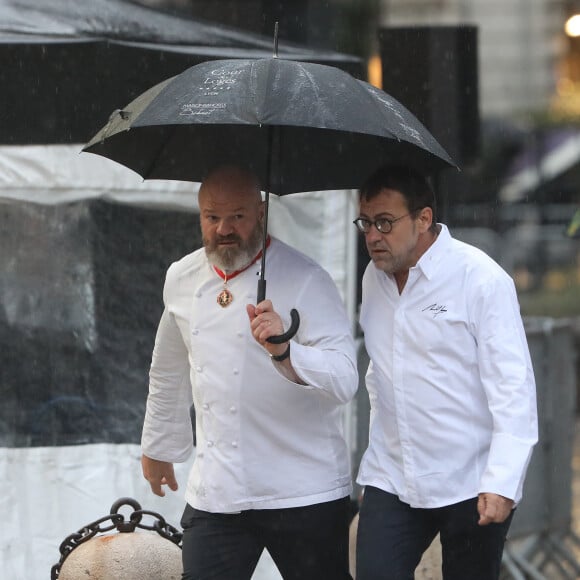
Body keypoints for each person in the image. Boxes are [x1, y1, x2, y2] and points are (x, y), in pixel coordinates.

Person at [140, 165, 357, 580]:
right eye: (211, 216)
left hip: (302, 486)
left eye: (237, 216)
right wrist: (158, 444)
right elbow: (168, 368)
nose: (224, 228)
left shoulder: (307, 278)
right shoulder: (180, 278)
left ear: (261, 213)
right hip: (219, 490)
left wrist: (286, 352)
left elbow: (345, 378)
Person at [353, 164, 538, 580]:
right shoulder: (373, 278)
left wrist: (503, 480)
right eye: (365, 222)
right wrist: (375, 468)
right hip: (393, 478)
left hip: (471, 480)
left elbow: (513, 389)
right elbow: (379, 377)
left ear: (423, 218)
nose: (372, 236)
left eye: (384, 222)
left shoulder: (482, 280)